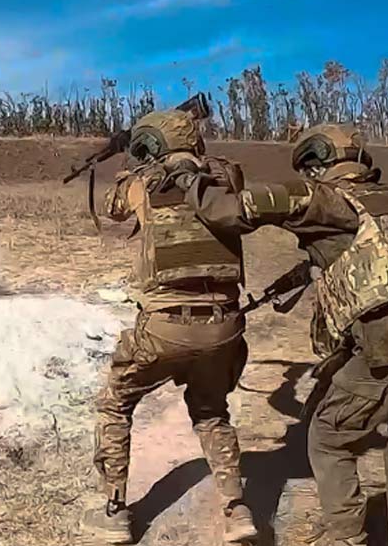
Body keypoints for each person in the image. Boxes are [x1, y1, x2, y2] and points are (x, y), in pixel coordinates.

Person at [169, 123, 388, 546]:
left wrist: (187, 175)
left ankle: (346, 536)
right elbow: (374, 255)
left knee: (328, 437)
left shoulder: (316, 195)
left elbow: (227, 211)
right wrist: (300, 275)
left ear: (315, 164)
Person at [80, 109, 258, 545]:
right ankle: (237, 510)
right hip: (224, 326)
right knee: (212, 411)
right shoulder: (224, 179)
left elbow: (112, 208)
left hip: (163, 326)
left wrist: (132, 158)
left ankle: (114, 511)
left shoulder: (141, 183)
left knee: (115, 403)